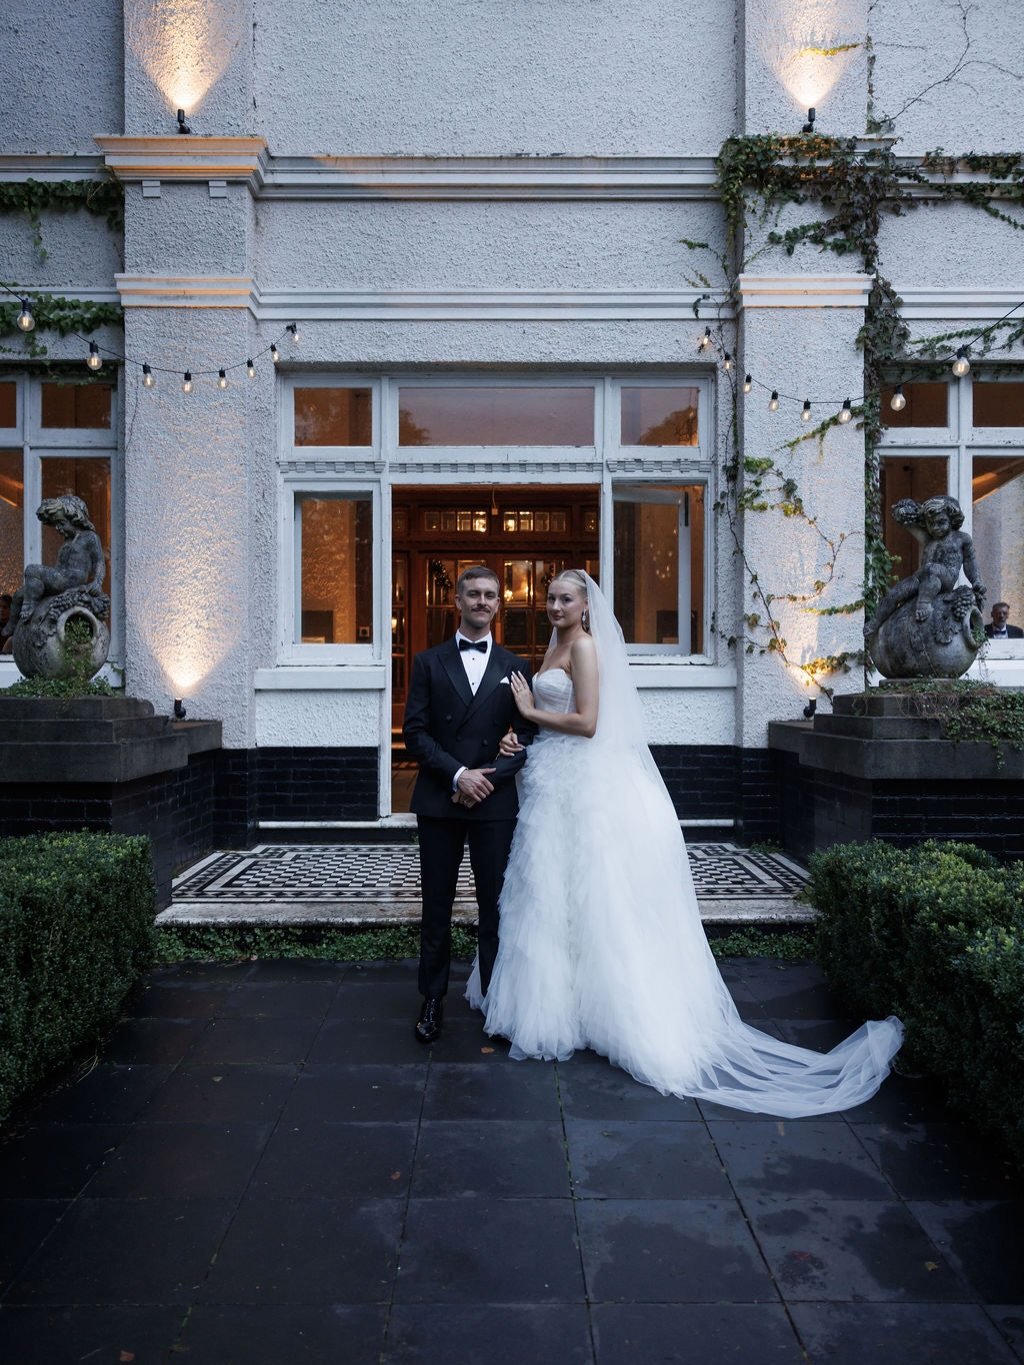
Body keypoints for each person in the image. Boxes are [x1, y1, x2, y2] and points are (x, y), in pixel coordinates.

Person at [467, 569, 904, 1117]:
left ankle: (608, 1010)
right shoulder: (554, 642)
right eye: (551, 598)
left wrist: (529, 713)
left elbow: (589, 722)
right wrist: (521, 732)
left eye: (565, 599)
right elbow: (552, 719)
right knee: (550, 892)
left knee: (592, 893)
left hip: (579, 779)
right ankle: (557, 1006)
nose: (554, 606)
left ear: (585, 606)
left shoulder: (583, 646)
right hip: (549, 777)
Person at [403, 565, 537, 1044]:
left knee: (493, 907)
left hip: (494, 804)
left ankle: (496, 1003)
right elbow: (415, 734)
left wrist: (487, 779)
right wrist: (459, 775)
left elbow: (527, 736)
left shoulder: (517, 667)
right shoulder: (427, 662)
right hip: (441, 799)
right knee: (435, 905)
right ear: (457, 601)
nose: (482, 602)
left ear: (499, 605)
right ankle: (433, 999)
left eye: (491, 596)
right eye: (474, 594)